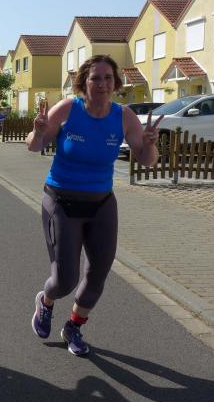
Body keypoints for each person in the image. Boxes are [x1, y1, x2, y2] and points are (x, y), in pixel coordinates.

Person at [25, 55, 163, 356]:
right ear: (84, 83)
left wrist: (150, 143)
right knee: (65, 280)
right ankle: (46, 301)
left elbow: (146, 159)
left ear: (116, 83)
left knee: (98, 274)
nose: (102, 84)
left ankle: (73, 326)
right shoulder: (68, 109)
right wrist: (39, 130)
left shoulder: (124, 116)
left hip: (101, 204)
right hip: (61, 201)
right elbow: (34, 146)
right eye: (95, 78)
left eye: (108, 78)